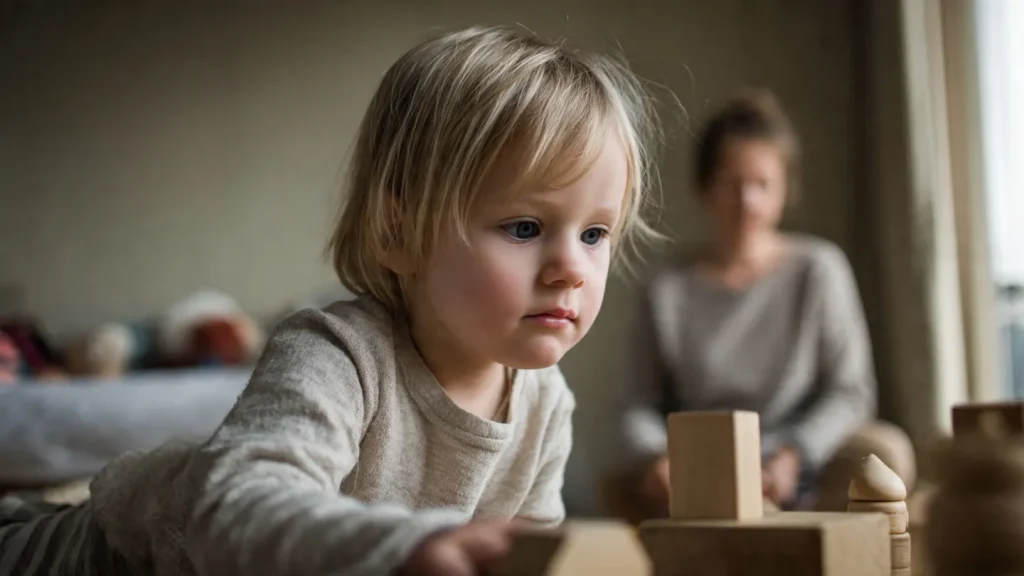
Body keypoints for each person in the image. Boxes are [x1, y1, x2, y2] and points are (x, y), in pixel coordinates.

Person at [0, 26, 662, 576]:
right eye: (526, 227)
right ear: (399, 233)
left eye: (596, 233)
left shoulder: (545, 400)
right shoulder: (338, 353)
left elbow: (524, 557)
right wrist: (408, 549)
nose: (572, 268)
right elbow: (238, 507)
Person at [610, 89, 915, 518]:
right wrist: (659, 459)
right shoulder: (667, 286)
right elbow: (636, 405)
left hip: (797, 459)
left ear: (785, 189)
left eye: (762, 185)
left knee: (888, 454)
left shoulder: (819, 269)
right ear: (704, 187)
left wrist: (795, 456)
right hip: (701, 462)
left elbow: (852, 392)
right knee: (622, 483)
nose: (747, 201)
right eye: (732, 184)